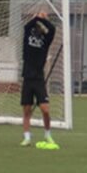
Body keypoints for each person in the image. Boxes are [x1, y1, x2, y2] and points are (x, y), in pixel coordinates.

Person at [20, 11, 58, 149]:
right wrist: (36, 17)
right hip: (27, 78)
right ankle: (27, 137)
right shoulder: (27, 37)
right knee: (27, 110)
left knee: (45, 109)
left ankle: (47, 134)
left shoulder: (45, 41)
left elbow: (52, 29)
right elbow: (26, 27)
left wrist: (45, 19)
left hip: (39, 79)